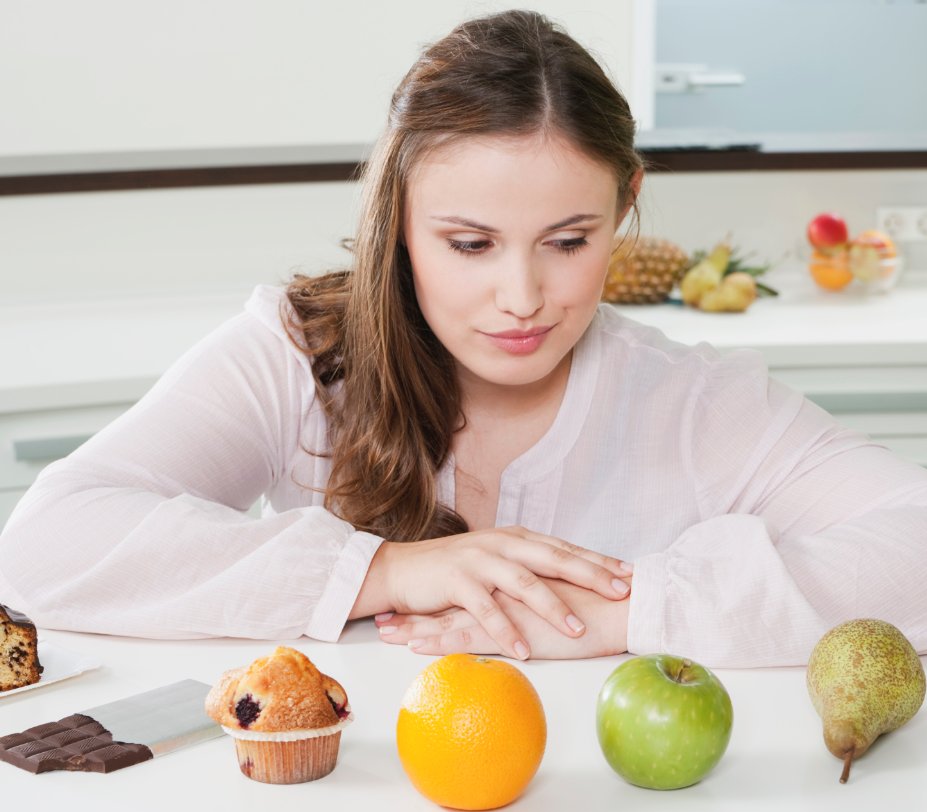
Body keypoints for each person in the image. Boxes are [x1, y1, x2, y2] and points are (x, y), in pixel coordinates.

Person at [1, 11, 925, 668]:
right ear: (398, 219)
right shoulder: (297, 355)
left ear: (624, 205)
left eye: (568, 242)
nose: (521, 299)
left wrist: (634, 609)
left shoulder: (692, 402)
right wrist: (384, 568)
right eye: (470, 244)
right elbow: (44, 546)